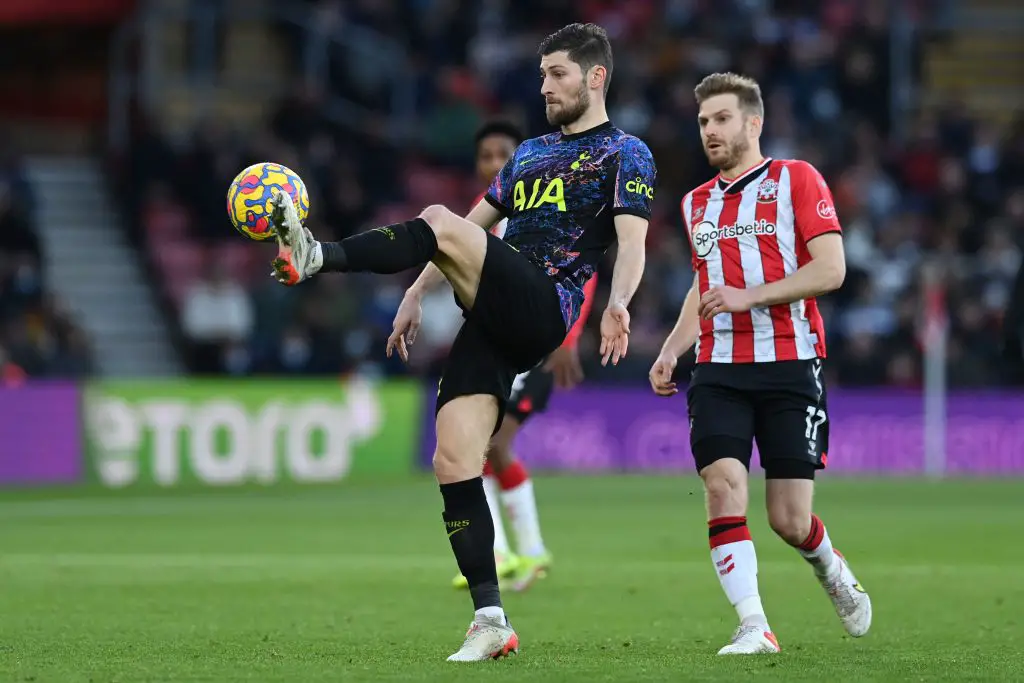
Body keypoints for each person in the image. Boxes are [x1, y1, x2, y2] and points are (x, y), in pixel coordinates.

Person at [269, 22, 656, 662]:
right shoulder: (529, 153)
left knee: (436, 219)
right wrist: (417, 291)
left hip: (546, 302)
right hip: (496, 315)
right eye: (541, 75)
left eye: (557, 74)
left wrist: (618, 303)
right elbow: (475, 227)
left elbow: (634, 240)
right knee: (453, 459)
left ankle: (318, 255)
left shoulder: (625, 153)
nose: (545, 87)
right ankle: (490, 620)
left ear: (595, 78)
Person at [648, 72, 871, 656]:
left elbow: (831, 269)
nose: (710, 131)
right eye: (702, 122)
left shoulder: (796, 179)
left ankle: (828, 564)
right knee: (723, 486)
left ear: (753, 122)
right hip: (719, 367)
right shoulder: (696, 203)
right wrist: (674, 347)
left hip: (791, 363)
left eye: (721, 119)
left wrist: (751, 295)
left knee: (789, 520)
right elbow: (704, 289)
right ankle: (754, 625)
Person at [447, 122, 598, 594]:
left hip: (542, 348)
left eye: (502, 154)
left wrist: (568, 341)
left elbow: (584, 276)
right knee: (484, 448)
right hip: (502, 346)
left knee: (492, 445)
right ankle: (518, 551)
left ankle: (517, 550)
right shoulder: (483, 219)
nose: (494, 163)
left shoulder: (542, 209)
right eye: (486, 155)